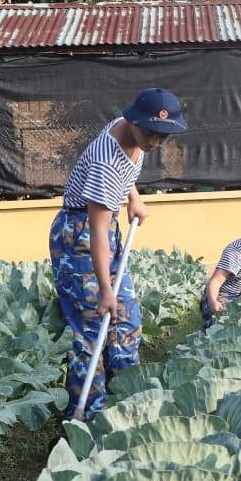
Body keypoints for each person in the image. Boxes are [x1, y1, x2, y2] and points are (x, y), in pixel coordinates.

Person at [49, 87, 188, 420]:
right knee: (94, 327)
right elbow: (96, 230)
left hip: (103, 228)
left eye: (163, 136)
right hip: (79, 234)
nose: (155, 143)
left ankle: (126, 405)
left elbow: (125, 178)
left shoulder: (127, 129)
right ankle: (87, 418)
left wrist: (134, 197)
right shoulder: (105, 165)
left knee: (126, 319)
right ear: (134, 121)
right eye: (150, 134)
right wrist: (106, 290)